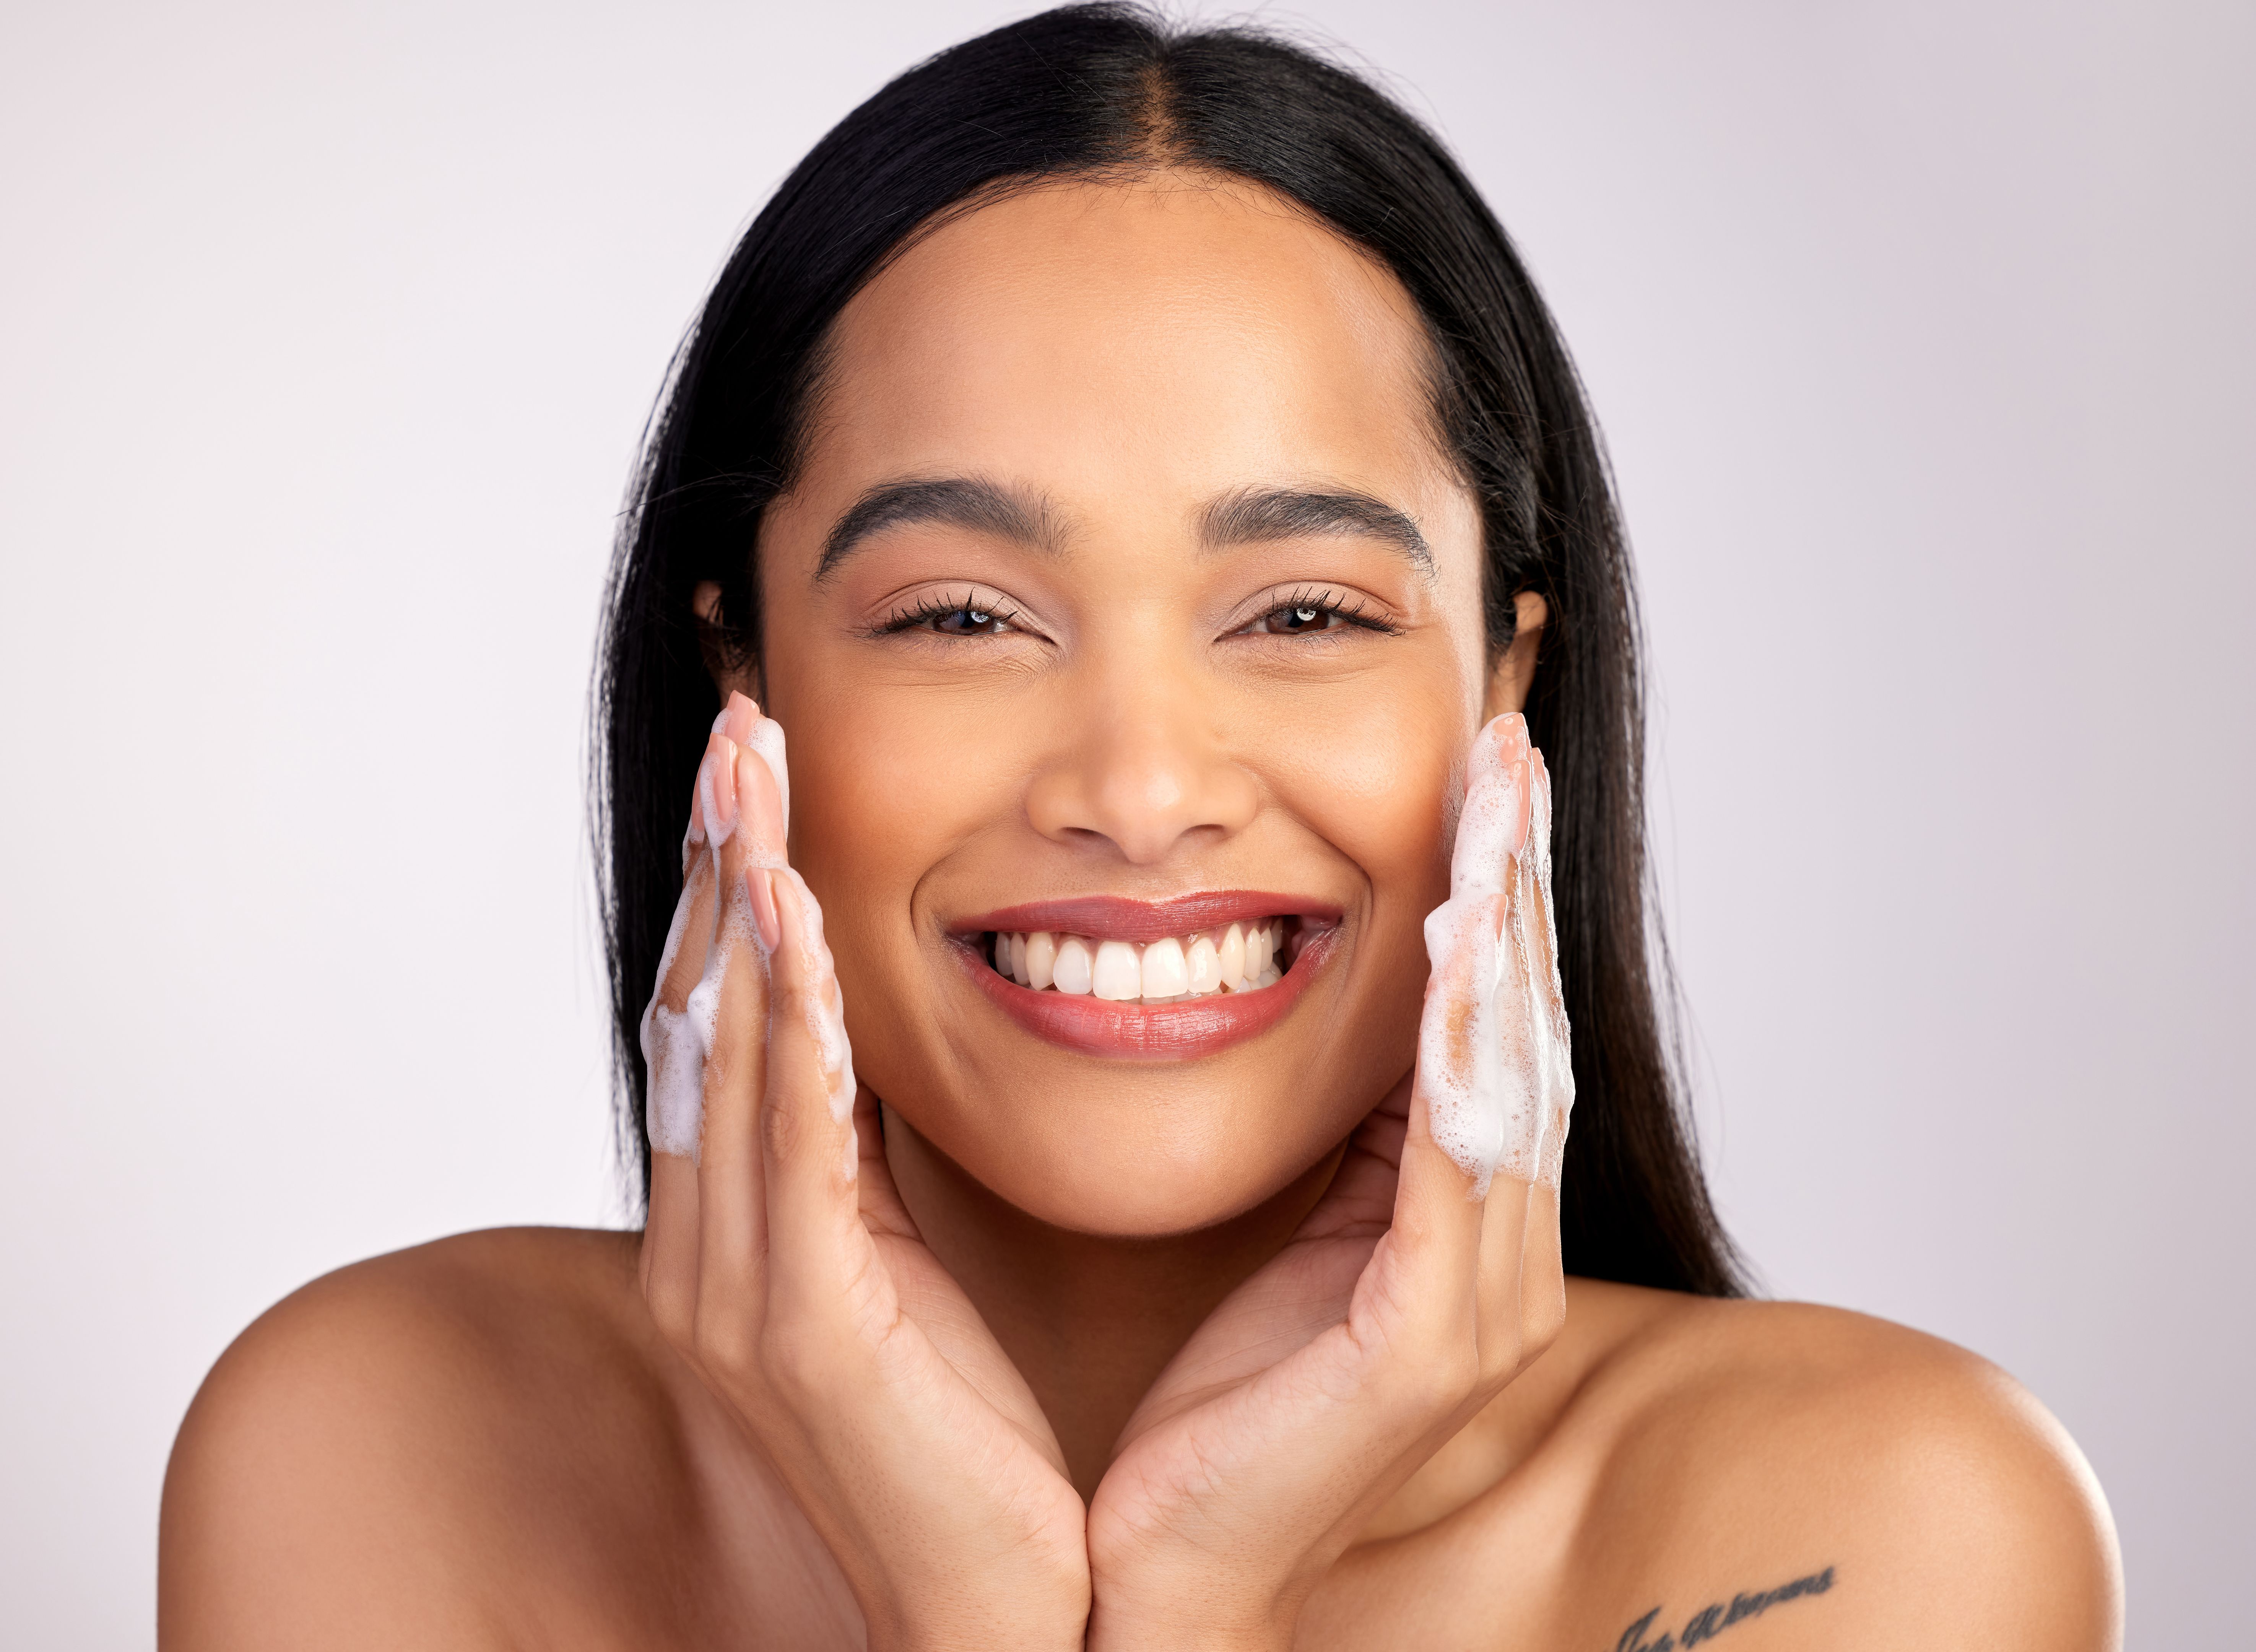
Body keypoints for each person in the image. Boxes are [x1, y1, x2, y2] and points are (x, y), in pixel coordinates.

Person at [158, 7, 2122, 1647]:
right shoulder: (387, 1452)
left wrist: (1195, 1604)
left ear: (1504, 689)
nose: (1138, 788)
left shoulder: (1888, 1520)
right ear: (739, 687)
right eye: (957, 618)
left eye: (1301, 616)